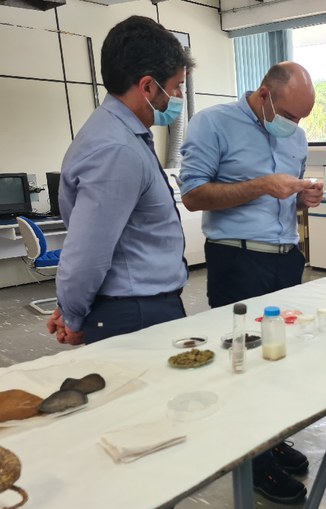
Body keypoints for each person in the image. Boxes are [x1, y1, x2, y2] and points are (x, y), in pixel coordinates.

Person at [178, 61, 321, 505]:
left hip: (285, 259)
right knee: (243, 362)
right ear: (263, 95)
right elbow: (193, 194)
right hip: (238, 260)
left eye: (301, 118)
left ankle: (271, 440)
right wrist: (260, 185)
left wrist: (305, 198)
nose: (294, 125)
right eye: (290, 115)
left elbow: (289, 202)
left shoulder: (295, 137)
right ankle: (254, 464)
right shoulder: (212, 124)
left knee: (279, 357)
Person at [47, 16, 192, 346]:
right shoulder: (117, 149)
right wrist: (72, 315)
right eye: (176, 87)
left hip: (137, 306)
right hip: (134, 314)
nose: (179, 95)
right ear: (147, 87)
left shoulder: (118, 133)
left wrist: (70, 309)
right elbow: (87, 254)